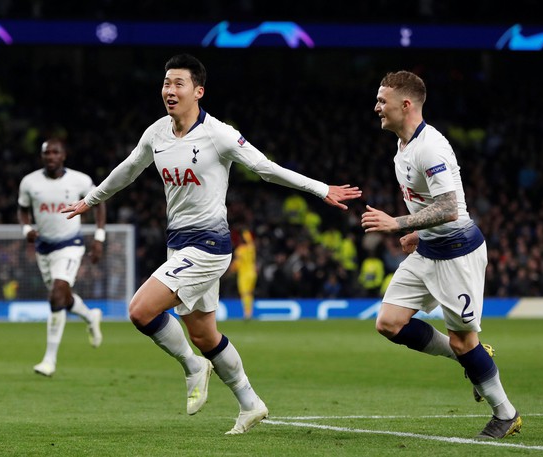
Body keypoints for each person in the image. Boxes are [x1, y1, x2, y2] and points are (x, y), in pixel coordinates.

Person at [63, 54, 361, 434]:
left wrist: (321, 189)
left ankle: (192, 365)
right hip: (179, 243)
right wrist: (90, 201)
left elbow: (266, 168)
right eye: (166, 83)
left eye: (178, 84)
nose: (169, 90)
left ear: (198, 91)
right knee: (204, 333)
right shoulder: (156, 133)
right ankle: (250, 403)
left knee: (140, 310)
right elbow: (128, 169)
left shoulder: (219, 134)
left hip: (209, 245)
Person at [361, 71, 522, 440]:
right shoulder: (403, 146)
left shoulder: (429, 146)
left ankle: (506, 414)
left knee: (465, 340)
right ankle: (471, 357)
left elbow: (450, 207)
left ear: (406, 104)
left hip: (457, 254)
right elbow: (435, 204)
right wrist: (419, 231)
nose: (376, 108)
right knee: (389, 322)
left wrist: (399, 222)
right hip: (429, 248)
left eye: (382, 101)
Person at [18, 138, 106, 377]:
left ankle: (49, 360)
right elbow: (23, 208)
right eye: (47, 153)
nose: (51, 157)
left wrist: (99, 237)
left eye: (55, 152)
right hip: (43, 247)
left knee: (56, 295)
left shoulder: (80, 180)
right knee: (62, 297)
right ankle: (90, 315)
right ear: (42, 156)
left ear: (63, 155)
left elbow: (98, 203)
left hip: (70, 244)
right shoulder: (30, 182)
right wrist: (26, 229)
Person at [229, 229, 257, 320]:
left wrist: (231, 269)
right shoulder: (251, 248)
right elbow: (250, 241)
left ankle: (247, 313)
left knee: (244, 294)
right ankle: (250, 312)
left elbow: (237, 263)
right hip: (253, 273)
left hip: (244, 275)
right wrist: (246, 232)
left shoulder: (240, 250)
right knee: (249, 294)